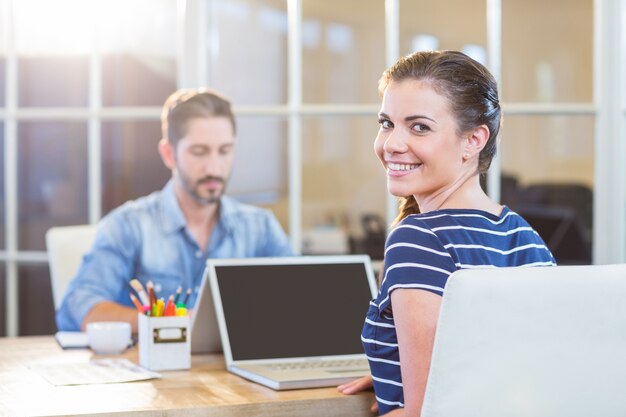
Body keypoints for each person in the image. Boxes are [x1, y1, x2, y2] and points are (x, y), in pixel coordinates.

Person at [338, 51, 556, 416]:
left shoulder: (419, 240)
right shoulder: (523, 235)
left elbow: (429, 413)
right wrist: (394, 366)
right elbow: (513, 375)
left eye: (419, 126)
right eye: (387, 123)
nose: (392, 143)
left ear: (473, 141)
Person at [56, 88, 293, 332]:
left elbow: (301, 302)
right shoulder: (129, 226)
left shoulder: (260, 228)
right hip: (156, 369)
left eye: (224, 151)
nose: (214, 167)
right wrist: (174, 323)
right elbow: (78, 310)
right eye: (199, 152)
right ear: (169, 154)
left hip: (231, 370)